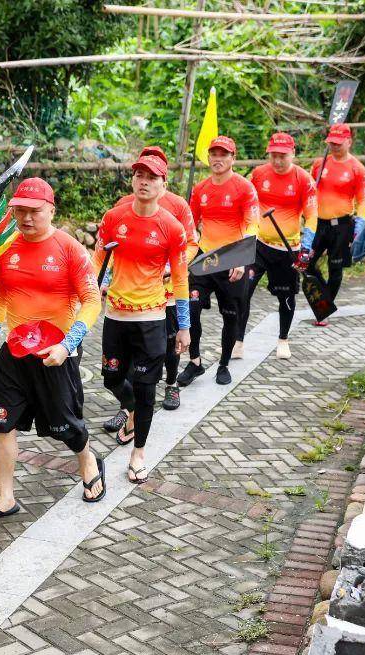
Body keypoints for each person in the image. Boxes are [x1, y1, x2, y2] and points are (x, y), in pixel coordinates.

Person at [0, 177, 105, 521]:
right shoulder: (8, 247)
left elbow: (91, 301)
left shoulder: (70, 249)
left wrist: (66, 344)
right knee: (1, 424)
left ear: (51, 210)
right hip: (14, 354)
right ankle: (4, 498)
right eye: (20, 211)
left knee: (65, 426)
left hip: (55, 355)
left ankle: (87, 459)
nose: (26, 218)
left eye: (34, 211)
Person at [95, 154, 190, 483]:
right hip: (116, 316)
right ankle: (132, 410)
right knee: (111, 377)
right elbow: (97, 261)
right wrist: (89, 297)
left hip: (151, 318)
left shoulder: (172, 227)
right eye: (139, 174)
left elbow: (180, 280)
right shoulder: (113, 218)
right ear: (132, 180)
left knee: (147, 388)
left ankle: (138, 453)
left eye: (152, 176)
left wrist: (185, 326)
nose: (144, 181)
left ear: (164, 185)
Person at [177, 135, 259, 387]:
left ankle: (223, 363)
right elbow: (190, 227)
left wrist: (242, 258)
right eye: (214, 154)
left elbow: (253, 225)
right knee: (190, 309)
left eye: (223, 154)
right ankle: (195, 362)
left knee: (230, 316)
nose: (217, 159)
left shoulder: (245, 188)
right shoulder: (200, 189)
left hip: (233, 260)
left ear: (233, 158)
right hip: (205, 260)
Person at [244, 132, 317, 360]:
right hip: (259, 246)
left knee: (285, 297)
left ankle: (283, 339)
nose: (277, 160)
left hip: (288, 249)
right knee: (243, 292)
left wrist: (305, 248)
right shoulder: (258, 174)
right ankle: (237, 340)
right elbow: (246, 203)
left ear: (292, 154)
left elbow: (312, 216)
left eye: (282, 156)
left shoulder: (304, 179)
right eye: (273, 155)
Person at [307, 123, 365, 323]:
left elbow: (363, 201)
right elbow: (308, 190)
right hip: (318, 223)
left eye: (338, 143)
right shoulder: (320, 163)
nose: (334, 146)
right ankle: (322, 298)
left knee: (336, 269)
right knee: (306, 263)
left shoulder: (357, 168)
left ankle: (323, 310)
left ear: (349, 142)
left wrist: (359, 227)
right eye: (331, 143)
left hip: (342, 226)